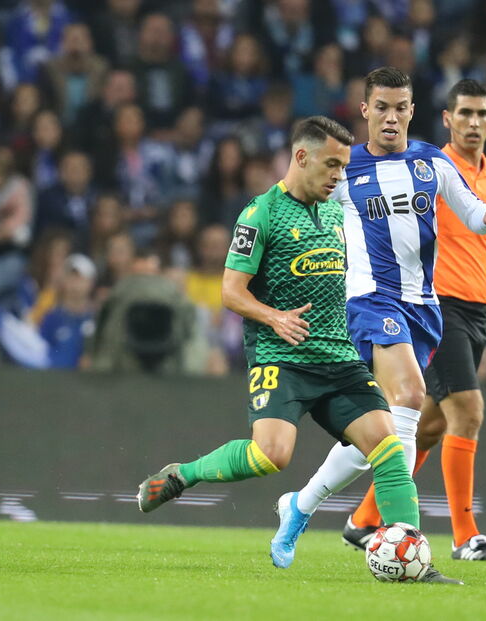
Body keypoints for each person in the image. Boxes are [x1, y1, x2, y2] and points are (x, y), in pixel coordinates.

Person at [135, 116, 458, 584]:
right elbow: (230, 291)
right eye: (331, 165)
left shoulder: (339, 211)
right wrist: (273, 316)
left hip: (340, 358)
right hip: (281, 357)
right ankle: (184, 474)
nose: (338, 176)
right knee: (273, 455)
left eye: (344, 167)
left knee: (387, 447)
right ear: (301, 157)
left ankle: (411, 557)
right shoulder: (260, 213)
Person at [271, 68, 486, 566]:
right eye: (381, 107)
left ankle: (300, 505)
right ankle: (402, 534)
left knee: (376, 433)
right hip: (369, 302)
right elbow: (295, 204)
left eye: (400, 107)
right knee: (410, 395)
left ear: (411, 112)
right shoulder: (345, 168)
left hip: (424, 308)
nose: (391, 116)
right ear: (364, 111)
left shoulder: (431, 162)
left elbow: (469, 211)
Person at [334, 79, 486, 561]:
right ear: (445, 119)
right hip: (432, 303)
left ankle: (363, 520)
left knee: (434, 424)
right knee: (469, 411)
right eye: (465, 114)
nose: (474, 123)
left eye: (482, 114)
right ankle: (465, 536)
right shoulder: (420, 166)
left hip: (475, 309)